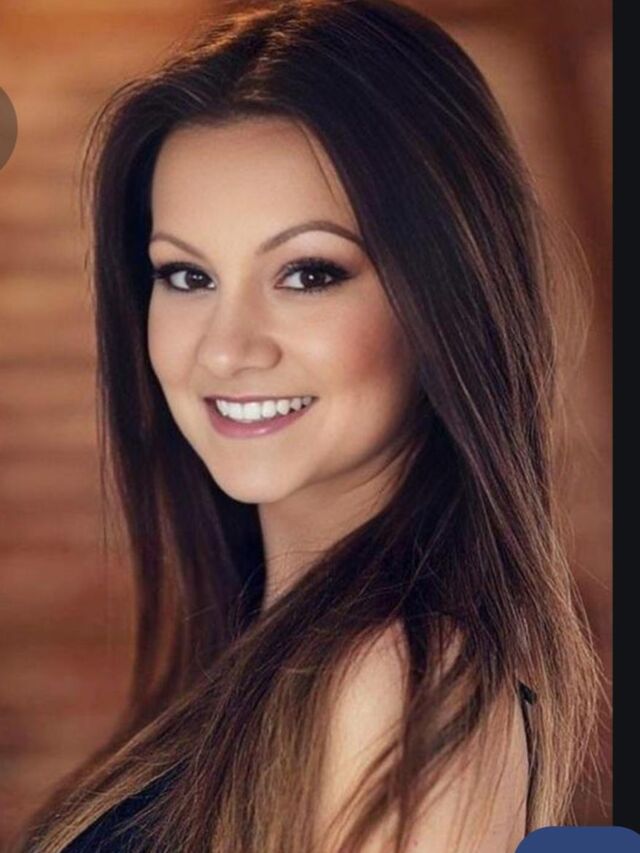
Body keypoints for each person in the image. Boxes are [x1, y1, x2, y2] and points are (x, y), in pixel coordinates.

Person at [17, 0, 603, 851]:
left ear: (443, 299)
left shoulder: (399, 680)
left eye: (308, 273)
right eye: (186, 276)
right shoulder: (271, 663)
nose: (227, 349)